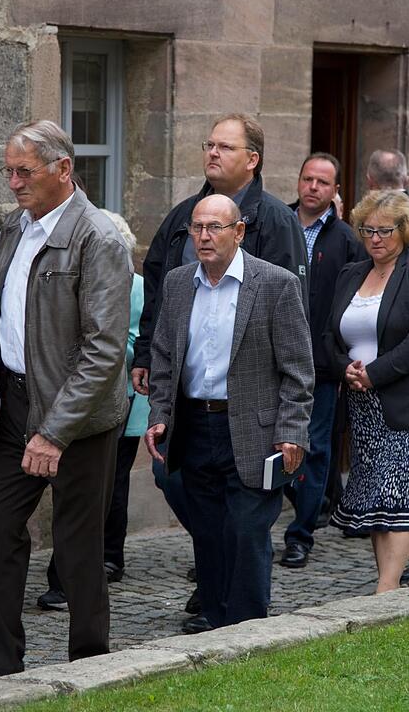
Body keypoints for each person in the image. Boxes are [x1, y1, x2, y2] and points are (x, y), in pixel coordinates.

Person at [0, 120, 131, 678]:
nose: (12, 182)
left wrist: (54, 431)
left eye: (23, 171)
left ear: (64, 169)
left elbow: (104, 351)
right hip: (13, 402)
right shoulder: (16, 227)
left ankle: (89, 664)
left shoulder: (97, 237)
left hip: (79, 418)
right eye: (8, 170)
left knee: (77, 546)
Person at [131, 112, 307, 621]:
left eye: (216, 228)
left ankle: (247, 628)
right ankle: (213, 613)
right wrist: (161, 409)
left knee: (247, 531)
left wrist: (292, 430)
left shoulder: (273, 276)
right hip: (195, 422)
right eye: (199, 228)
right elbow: (165, 352)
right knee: (208, 532)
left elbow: (298, 363)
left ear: (240, 232)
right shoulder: (182, 282)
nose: (205, 236)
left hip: (253, 423)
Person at [325, 189, 409, 591]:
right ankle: (389, 583)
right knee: (375, 498)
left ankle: (386, 589)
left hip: (406, 401)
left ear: (405, 230)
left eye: (384, 230)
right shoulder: (350, 273)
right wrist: (347, 369)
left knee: (399, 496)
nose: (375, 238)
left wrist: (375, 374)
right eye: (367, 230)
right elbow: (329, 336)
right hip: (362, 407)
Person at [38, 209, 151, 606]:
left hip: (122, 400)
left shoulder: (136, 285)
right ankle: (78, 568)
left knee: (112, 483)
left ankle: (107, 558)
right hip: (75, 399)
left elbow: (136, 340)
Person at [280, 153, 366, 569]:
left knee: (313, 450)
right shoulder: (275, 225)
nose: (313, 187)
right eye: (307, 179)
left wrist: (339, 354)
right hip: (272, 358)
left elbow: (351, 302)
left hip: (322, 363)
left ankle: (301, 535)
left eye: (322, 182)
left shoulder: (346, 239)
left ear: (335, 192)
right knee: (268, 447)